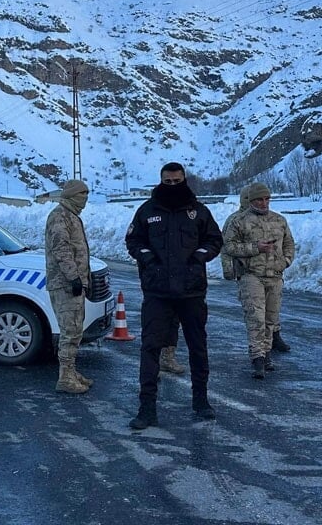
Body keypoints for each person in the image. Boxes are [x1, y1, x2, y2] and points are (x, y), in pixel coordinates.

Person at [125, 162, 223, 428]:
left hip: (191, 292)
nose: (172, 186)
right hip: (158, 293)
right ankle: (147, 408)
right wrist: (148, 260)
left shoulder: (198, 211)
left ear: (184, 180)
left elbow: (215, 240)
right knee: (150, 348)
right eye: (167, 182)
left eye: (177, 181)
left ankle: (201, 401)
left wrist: (199, 258)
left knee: (198, 348)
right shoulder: (147, 211)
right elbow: (133, 241)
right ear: (160, 180)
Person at [222, 182, 295, 379]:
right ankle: (257, 358)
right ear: (250, 200)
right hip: (251, 275)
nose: (263, 203)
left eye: (266, 199)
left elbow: (289, 243)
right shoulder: (238, 221)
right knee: (256, 319)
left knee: (271, 319)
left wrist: (285, 261)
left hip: (275, 276)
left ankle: (267, 353)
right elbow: (228, 246)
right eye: (259, 199)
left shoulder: (279, 221)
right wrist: (255, 248)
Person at [44, 179, 94, 394]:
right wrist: (73, 278)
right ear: (73, 195)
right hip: (64, 284)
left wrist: (85, 279)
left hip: (73, 282)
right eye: (82, 194)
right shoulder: (60, 216)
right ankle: (65, 376)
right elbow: (61, 250)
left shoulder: (72, 216)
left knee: (75, 329)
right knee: (70, 331)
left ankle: (71, 372)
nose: (85, 199)